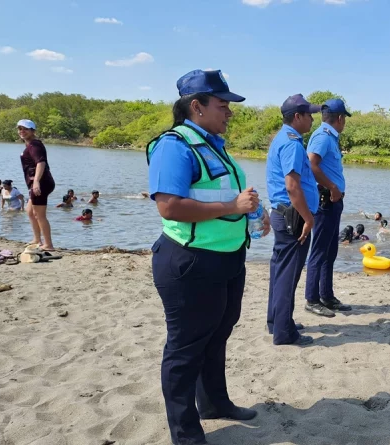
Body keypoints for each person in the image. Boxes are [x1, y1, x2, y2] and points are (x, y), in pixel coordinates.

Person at [146, 69, 267, 445]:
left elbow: (217, 196)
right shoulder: (174, 145)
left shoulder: (213, 143)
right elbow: (169, 206)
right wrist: (233, 204)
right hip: (190, 262)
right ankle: (185, 435)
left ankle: (214, 403)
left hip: (227, 257)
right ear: (196, 106)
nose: (229, 112)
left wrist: (250, 211)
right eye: (223, 105)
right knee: (185, 349)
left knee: (217, 334)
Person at [266, 94, 320, 345]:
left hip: (284, 214)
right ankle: (284, 332)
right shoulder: (292, 144)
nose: (312, 119)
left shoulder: (284, 138)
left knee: (280, 270)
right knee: (288, 274)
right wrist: (308, 218)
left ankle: (277, 321)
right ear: (297, 117)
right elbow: (292, 186)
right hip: (293, 216)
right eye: (309, 115)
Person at [305, 98, 353, 319]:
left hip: (333, 201)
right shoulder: (323, 137)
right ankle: (312, 299)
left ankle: (327, 295)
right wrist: (332, 186)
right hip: (325, 200)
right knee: (319, 251)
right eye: (345, 120)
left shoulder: (330, 137)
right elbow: (311, 163)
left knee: (330, 250)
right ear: (340, 118)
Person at [18, 119, 56, 250]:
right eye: (20, 129)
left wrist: (36, 182)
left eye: (25, 129)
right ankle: (37, 239)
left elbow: (41, 163)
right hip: (38, 182)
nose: (22, 131)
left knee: (40, 215)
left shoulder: (34, 145)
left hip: (41, 182)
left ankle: (48, 245)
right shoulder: (30, 145)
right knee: (30, 211)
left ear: (33, 131)